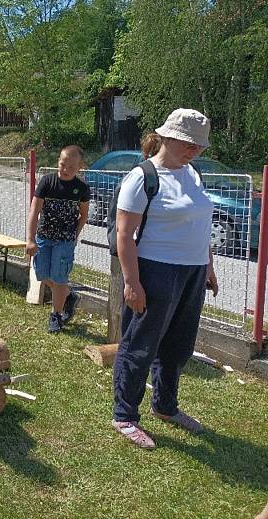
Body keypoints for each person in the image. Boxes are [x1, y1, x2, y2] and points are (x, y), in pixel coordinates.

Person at [112, 108, 218, 449]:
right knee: (140, 345)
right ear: (167, 137)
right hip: (155, 271)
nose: (194, 151)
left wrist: (208, 266)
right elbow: (124, 235)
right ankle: (125, 415)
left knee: (178, 346)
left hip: (192, 272)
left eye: (199, 146)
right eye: (188, 144)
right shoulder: (142, 177)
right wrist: (132, 282)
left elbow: (200, 227)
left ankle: (165, 406)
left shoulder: (194, 173)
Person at [26, 145, 89, 333]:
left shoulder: (82, 188)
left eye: (71, 167)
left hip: (65, 241)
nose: (66, 170)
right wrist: (30, 239)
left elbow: (83, 216)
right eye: (63, 165)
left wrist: (74, 235)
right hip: (43, 237)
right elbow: (34, 211)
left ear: (80, 167)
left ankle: (56, 315)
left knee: (59, 278)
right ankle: (69, 296)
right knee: (43, 274)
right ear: (58, 162)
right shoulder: (47, 182)